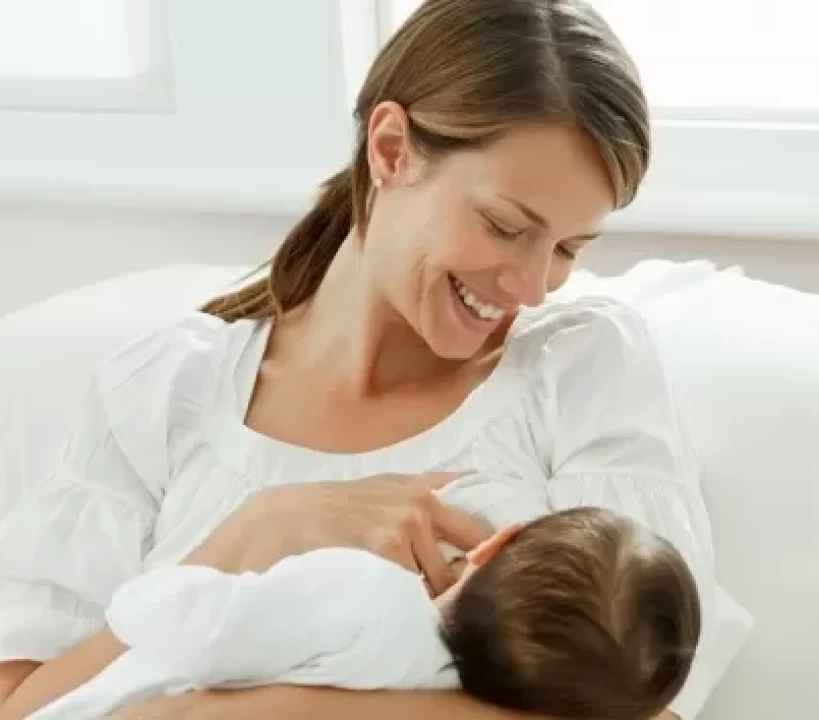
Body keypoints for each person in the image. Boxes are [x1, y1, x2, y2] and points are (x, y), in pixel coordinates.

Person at [0, 0, 752, 718]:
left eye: (567, 249)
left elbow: (642, 709)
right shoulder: (166, 389)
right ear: (391, 150)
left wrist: (256, 713)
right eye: (504, 226)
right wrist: (251, 535)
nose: (532, 287)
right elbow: (20, 704)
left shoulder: (578, 369)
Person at [31, 506, 701, 720]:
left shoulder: (370, 598)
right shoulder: (435, 692)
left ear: (497, 541)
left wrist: (148, 592)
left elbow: (206, 635)